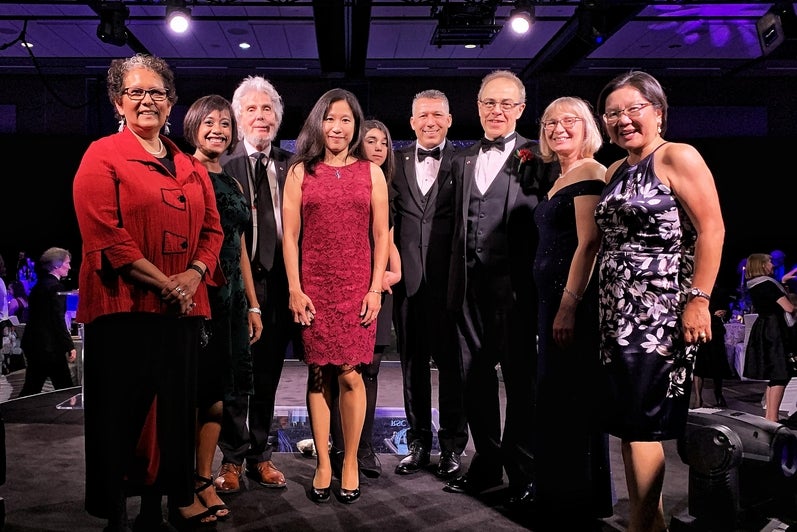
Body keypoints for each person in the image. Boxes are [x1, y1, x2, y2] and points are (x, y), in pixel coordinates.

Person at [72, 53, 224, 531]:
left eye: (156, 92)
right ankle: (116, 514)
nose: (146, 101)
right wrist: (166, 284)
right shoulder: (102, 155)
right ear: (118, 102)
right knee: (122, 417)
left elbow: (214, 232)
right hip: (124, 311)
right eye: (135, 92)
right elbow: (106, 234)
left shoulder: (188, 164)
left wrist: (194, 276)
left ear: (171, 102)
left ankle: (153, 512)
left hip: (179, 314)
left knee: (170, 419)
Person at [594, 70, 725, 531]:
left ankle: (641, 526)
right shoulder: (615, 169)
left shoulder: (677, 156)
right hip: (615, 313)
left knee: (644, 424)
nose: (623, 120)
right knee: (630, 426)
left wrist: (699, 299)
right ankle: (651, 523)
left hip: (658, 311)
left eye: (633, 109)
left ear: (658, 112)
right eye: (612, 113)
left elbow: (712, 229)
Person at [444, 70, 558, 506]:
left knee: (520, 381)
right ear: (477, 107)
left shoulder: (540, 157)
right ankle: (486, 461)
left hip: (518, 291)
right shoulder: (462, 159)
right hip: (468, 289)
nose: (497, 111)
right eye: (490, 103)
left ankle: (523, 469)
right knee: (473, 380)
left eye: (507, 104)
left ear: (521, 109)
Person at [282, 88, 390, 504]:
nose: (338, 127)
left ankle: (348, 461)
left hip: (357, 286)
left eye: (346, 120)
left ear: (356, 126)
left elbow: (381, 235)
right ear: (318, 123)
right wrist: (294, 287)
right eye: (330, 119)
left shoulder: (372, 173)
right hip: (313, 287)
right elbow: (290, 237)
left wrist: (375, 286)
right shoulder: (299, 172)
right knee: (318, 373)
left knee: (350, 371)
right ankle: (324, 463)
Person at [531, 96, 613, 525]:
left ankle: (573, 502)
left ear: (587, 127)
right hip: (552, 305)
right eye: (550, 122)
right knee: (557, 400)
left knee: (569, 401)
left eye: (569, 121)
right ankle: (561, 495)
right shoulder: (561, 175)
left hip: (571, 307)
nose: (558, 128)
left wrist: (567, 306)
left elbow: (589, 244)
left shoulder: (590, 172)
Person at [183, 94, 265, 520]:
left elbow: (238, 247)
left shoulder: (232, 181)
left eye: (225, 124)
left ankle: (203, 477)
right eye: (209, 122)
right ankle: (185, 486)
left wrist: (253, 305)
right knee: (195, 397)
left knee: (219, 398)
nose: (218, 129)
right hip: (198, 297)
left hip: (232, 301)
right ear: (193, 124)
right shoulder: (182, 170)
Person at [215, 75, 298, 493]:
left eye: (267, 109)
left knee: (268, 375)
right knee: (235, 376)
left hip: (283, 286)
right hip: (237, 287)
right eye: (252, 109)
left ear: (278, 118)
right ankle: (231, 458)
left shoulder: (293, 165)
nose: (260, 117)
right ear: (237, 116)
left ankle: (260, 456)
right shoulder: (224, 165)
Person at [391, 90, 468, 480]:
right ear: (412, 122)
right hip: (407, 285)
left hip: (450, 285)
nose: (430, 121)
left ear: (450, 119)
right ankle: (419, 443)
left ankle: (453, 446)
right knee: (411, 367)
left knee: (453, 368)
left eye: (438, 114)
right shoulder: (396, 161)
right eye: (423, 115)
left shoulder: (464, 161)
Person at [330, 119, 401, 479]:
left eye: (384, 143)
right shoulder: (343, 183)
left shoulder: (386, 187)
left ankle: (363, 449)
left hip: (374, 287)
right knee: (339, 368)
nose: (377, 148)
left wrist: (390, 273)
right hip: (340, 284)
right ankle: (337, 447)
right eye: (370, 141)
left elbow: (389, 240)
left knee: (368, 369)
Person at [742, 253, 797, 421]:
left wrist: (784, 281)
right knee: (781, 372)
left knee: (776, 373)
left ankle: (770, 416)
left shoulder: (755, 284)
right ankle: (772, 417)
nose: (772, 265)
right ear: (762, 265)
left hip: (765, 327)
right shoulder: (767, 284)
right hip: (776, 330)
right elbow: (788, 308)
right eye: (770, 262)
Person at [18, 247, 77, 396]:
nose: (69, 267)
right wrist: (69, 345)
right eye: (67, 263)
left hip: (34, 344)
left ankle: (13, 415)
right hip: (50, 347)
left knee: (32, 388)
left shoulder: (38, 287)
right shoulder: (56, 287)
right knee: (65, 389)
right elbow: (58, 320)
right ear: (57, 265)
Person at [691, 283, 735, 408]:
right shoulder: (697, 290)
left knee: (718, 363)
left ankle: (718, 394)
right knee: (699, 365)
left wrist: (724, 313)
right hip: (700, 328)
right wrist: (711, 313)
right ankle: (698, 398)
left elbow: (727, 310)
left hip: (716, 330)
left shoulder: (720, 291)